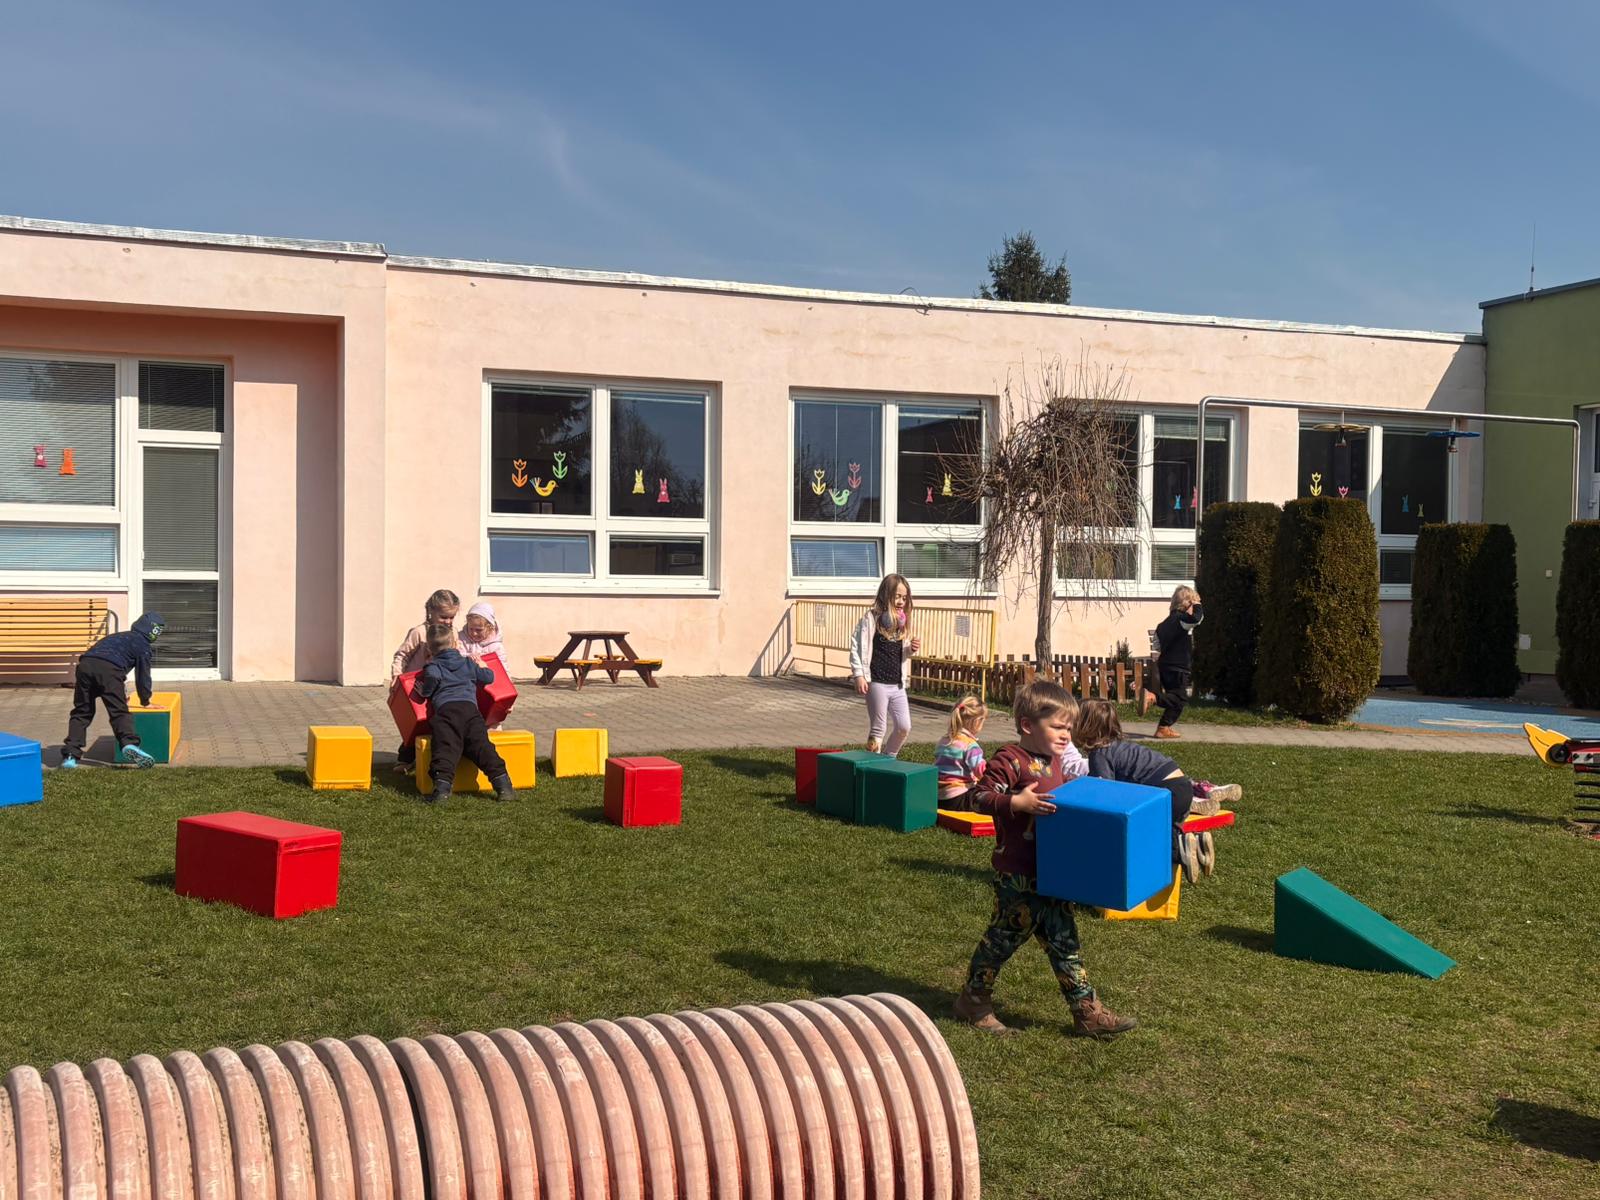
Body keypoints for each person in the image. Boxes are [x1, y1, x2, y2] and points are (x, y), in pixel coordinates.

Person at [954, 680, 1137, 1040]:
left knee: (1066, 944)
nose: (1066, 734)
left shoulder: (1054, 763)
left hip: (1053, 873)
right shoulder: (1010, 759)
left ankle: (1086, 1012)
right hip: (1018, 876)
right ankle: (972, 1001)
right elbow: (975, 797)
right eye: (1057, 727)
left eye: (1069, 727)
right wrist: (1016, 803)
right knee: (1000, 942)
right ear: (1027, 725)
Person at [1073, 698, 1241, 882]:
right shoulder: (1121, 747)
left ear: (1084, 728)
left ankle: (1180, 848)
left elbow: (1105, 794)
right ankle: (1195, 842)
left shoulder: (1099, 754)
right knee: (1165, 831)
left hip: (1165, 791)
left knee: (1145, 835)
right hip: (1183, 787)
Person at [414, 624, 514, 804]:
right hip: (470, 712)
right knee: (482, 747)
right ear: (455, 644)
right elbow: (488, 677)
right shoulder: (468, 663)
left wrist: (424, 691)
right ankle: (504, 786)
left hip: (446, 713)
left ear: (429, 648)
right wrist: (482, 665)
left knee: (445, 749)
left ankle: (442, 791)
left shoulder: (433, 666)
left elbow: (432, 680)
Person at [59, 612, 165, 769]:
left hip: (85, 665)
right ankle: (129, 743)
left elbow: (105, 658)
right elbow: (143, 676)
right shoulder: (143, 646)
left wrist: (121, 690)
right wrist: (145, 701)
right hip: (109, 671)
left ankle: (70, 756)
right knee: (118, 711)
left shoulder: (117, 637)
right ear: (154, 632)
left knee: (82, 712)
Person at [848, 574, 921, 757]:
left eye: (904, 598)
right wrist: (859, 674)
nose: (901, 601)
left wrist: (910, 649)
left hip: (897, 684)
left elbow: (900, 652)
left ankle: (889, 758)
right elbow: (857, 646)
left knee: (904, 726)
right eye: (897, 597)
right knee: (879, 727)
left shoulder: (902, 622)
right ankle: (872, 764)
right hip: (877, 682)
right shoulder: (872, 618)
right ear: (886, 595)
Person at [389, 589, 460, 774]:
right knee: (417, 723)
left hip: (441, 686)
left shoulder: (453, 633)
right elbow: (402, 655)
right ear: (431, 611)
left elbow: (457, 654)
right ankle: (404, 759)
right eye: (444, 617)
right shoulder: (419, 633)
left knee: (437, 722)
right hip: (418, 685)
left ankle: (429, 758)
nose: (448, 621)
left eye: (452, 617)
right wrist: (397, 676)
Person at [1142, 585, 1203, 738]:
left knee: (1175, 698)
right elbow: (1197, 619)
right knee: (1180, 698)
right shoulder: (1182, 620)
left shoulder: (1162, 625)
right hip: (1178, 667)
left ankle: (1163, 728)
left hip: (1164, 666)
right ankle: (1152, 697)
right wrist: (1197, 605)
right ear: (1187, 603)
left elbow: (1157, 646)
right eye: (1192, 604)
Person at [934, 695, 989, 810]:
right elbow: (981, 771)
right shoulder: (970, 745)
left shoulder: (944, 740)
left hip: (938, 797)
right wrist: (993, 772)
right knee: (987, 797)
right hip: (959, 798)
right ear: (977, 722)